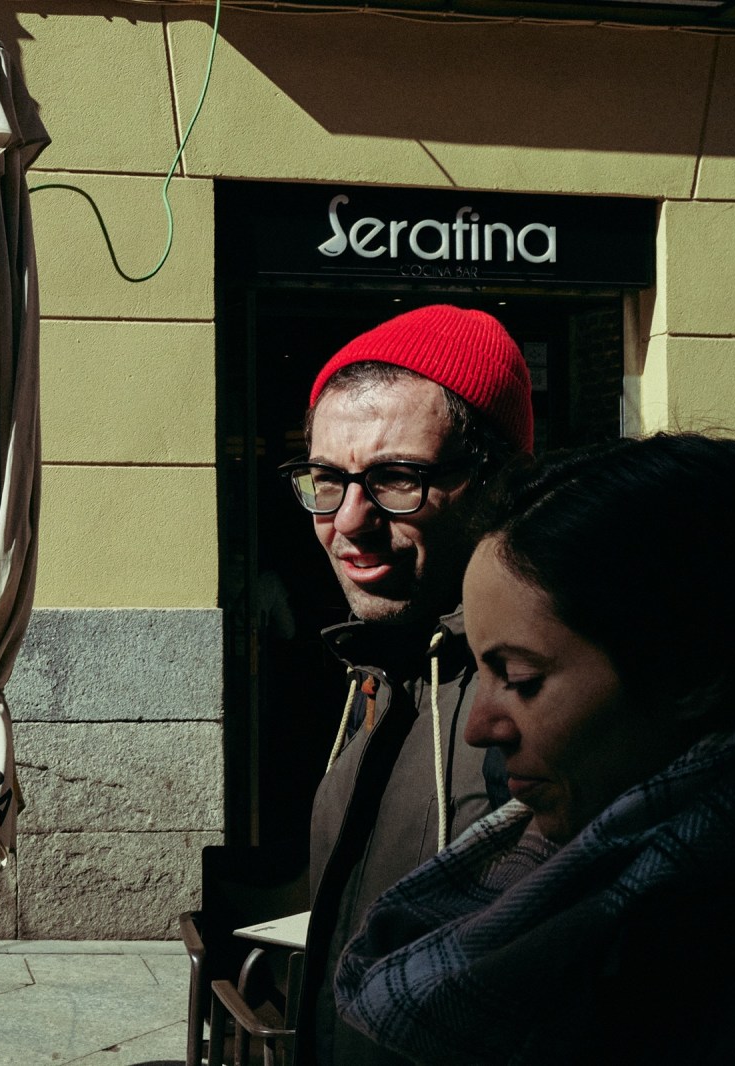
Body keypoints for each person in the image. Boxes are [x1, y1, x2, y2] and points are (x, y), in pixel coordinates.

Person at [332, 433, 735, 1064]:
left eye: (522, 679)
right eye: (483, 671)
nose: (480, 726)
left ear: (690, 674)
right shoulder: (610, 893)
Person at [282, 305, 532, 1065]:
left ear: (498, 483)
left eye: (395, 480)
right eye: (326, 480)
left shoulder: (549, 697)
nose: (348, 523)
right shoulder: (381, 672)